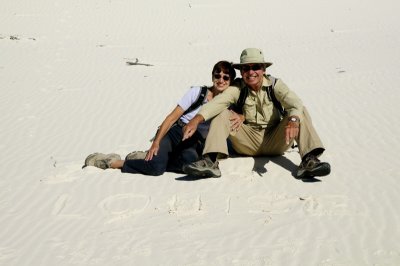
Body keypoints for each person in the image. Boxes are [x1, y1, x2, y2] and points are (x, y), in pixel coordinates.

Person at [182, 48, 331, 179]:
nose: (251, 72)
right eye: (246, 68)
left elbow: (295, 102)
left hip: (277, 140)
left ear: (263, 69)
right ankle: (210, 161)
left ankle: (309, 161)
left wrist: (292, 119)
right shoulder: (238, 87)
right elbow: (219, 102)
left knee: (300, 111)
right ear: (241, 72)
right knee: (222, 113)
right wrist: (197, 119)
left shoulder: (275, 85)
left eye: (256, 67)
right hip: (248, 143)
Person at [83, 61, 242, 176]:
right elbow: (171, 118)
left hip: (194, 142)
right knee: (156, 169)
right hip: (176, 132)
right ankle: (111, 162)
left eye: (226, 77)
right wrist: (156, 143)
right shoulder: (197, 92)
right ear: (212, 76)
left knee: (190, 166)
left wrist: (242, 116)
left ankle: (149, 158)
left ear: (231, 82)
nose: (221, 80)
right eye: (217, 75)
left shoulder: (229, 104)